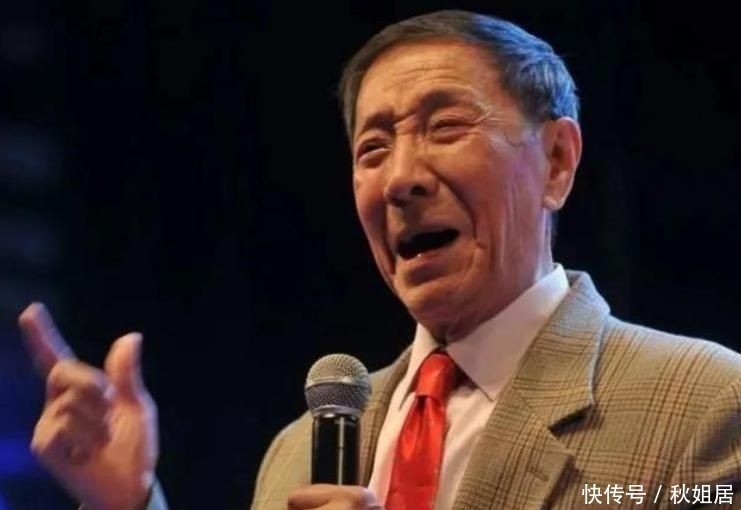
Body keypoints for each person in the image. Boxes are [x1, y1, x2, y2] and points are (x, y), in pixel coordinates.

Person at [19, 9, 741, 510]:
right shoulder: (297, 456)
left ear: (556, 161)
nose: (400, 178)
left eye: (445, 126)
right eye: (372, 148)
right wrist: (127, 503)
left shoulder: (705, 404)